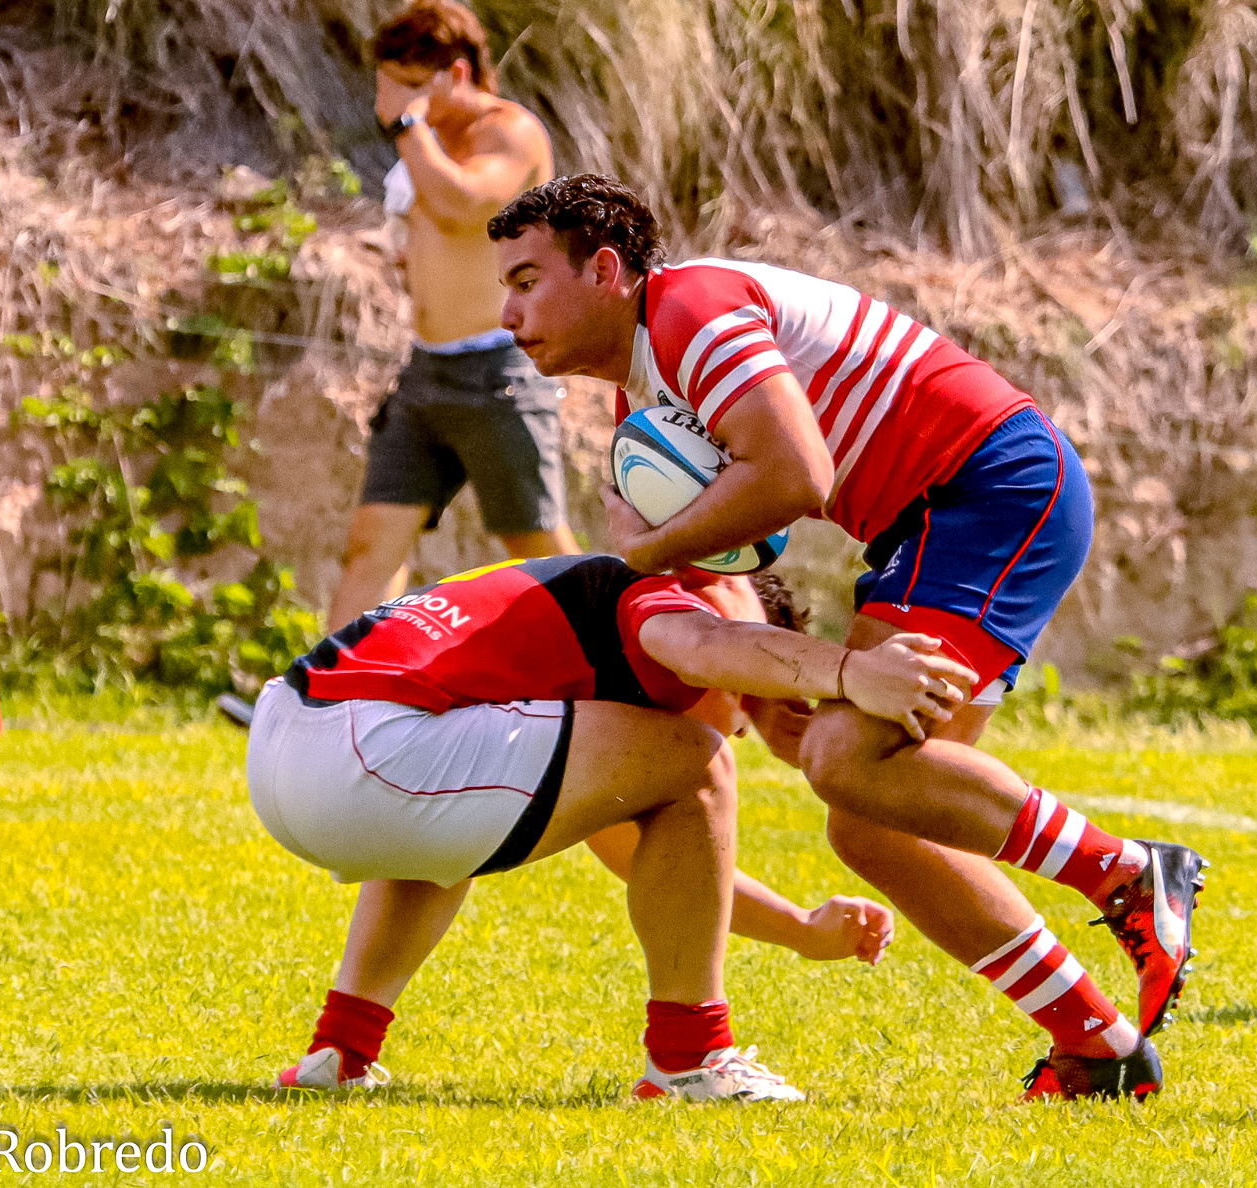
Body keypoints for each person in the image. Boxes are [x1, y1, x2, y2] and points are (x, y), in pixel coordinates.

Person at [486, 175, 1211, 1101]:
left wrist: (644, 550)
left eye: (526, 281)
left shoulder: (688, 310)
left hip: (988, 488)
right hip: (928, 523)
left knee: (848, 757)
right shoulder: (643, 412)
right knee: (871, 815)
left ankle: (1127, 873)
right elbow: (724, 573)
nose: (508, 314)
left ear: (602, 270)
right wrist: (761, 683)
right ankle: (1098, 1046)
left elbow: (795, 473)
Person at [249, 554, 970, 1100]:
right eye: (750, 708)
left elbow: (635, 851)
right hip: (365, 749)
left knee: (447, 830)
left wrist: (802, 929)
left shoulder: (587, 613)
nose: (741, 727)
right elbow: (707, 646)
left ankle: (341, 1052)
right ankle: (691, 1059)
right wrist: (847, 673)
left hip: (289, 740)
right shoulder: (674, 594)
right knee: (698, 759)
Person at [330, 0, 577, 631]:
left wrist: (407, 123)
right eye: (389, 87)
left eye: (412, 85)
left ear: (458, 73)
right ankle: (334, 684)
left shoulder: (511, 134)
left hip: (499, 373)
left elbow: (463, 207)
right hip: (426, 370)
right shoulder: (431, 138)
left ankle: (614, 663)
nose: (391, 103)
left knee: (539, 553)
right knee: (371, 545)